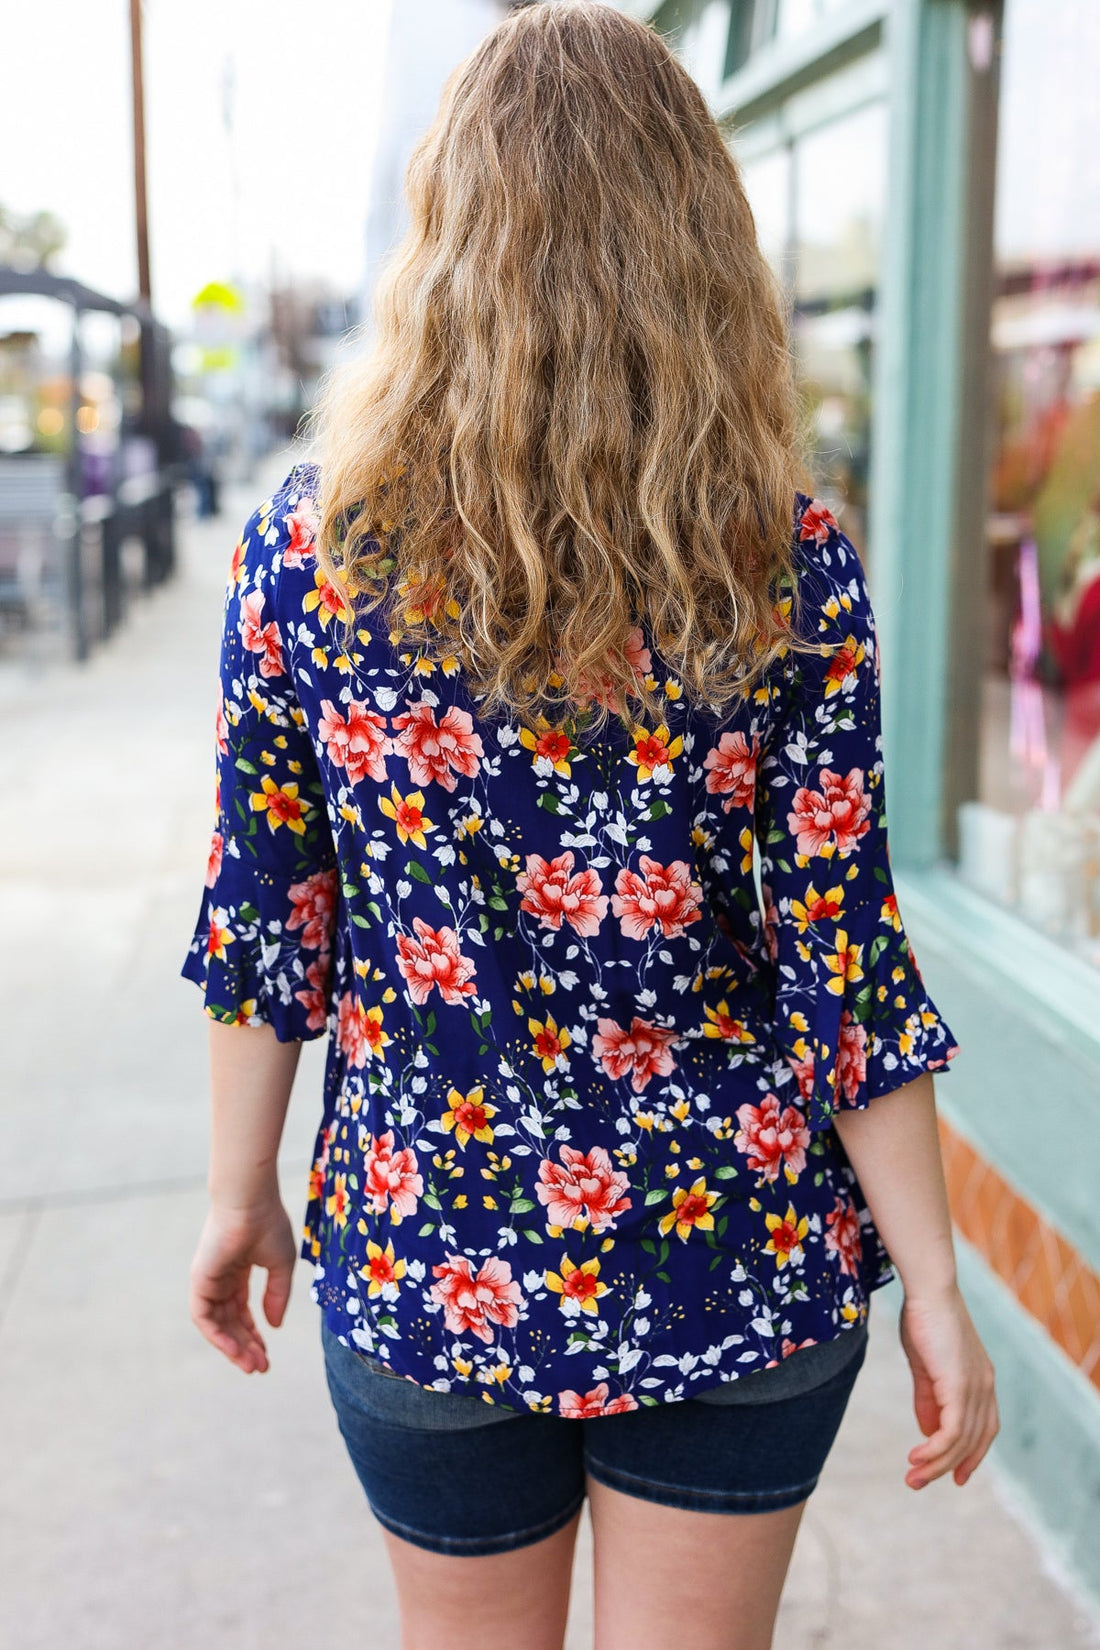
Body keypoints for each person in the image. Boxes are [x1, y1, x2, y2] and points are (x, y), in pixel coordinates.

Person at [182, 6, 999, 1647]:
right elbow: (845, 946)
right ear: (696, 239)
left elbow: (275, 913)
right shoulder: (782, 560)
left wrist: (237, 1187)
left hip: (433, 1252)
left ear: (445, 243)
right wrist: (939, 1277)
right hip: (735, 1258)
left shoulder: (314, 557)